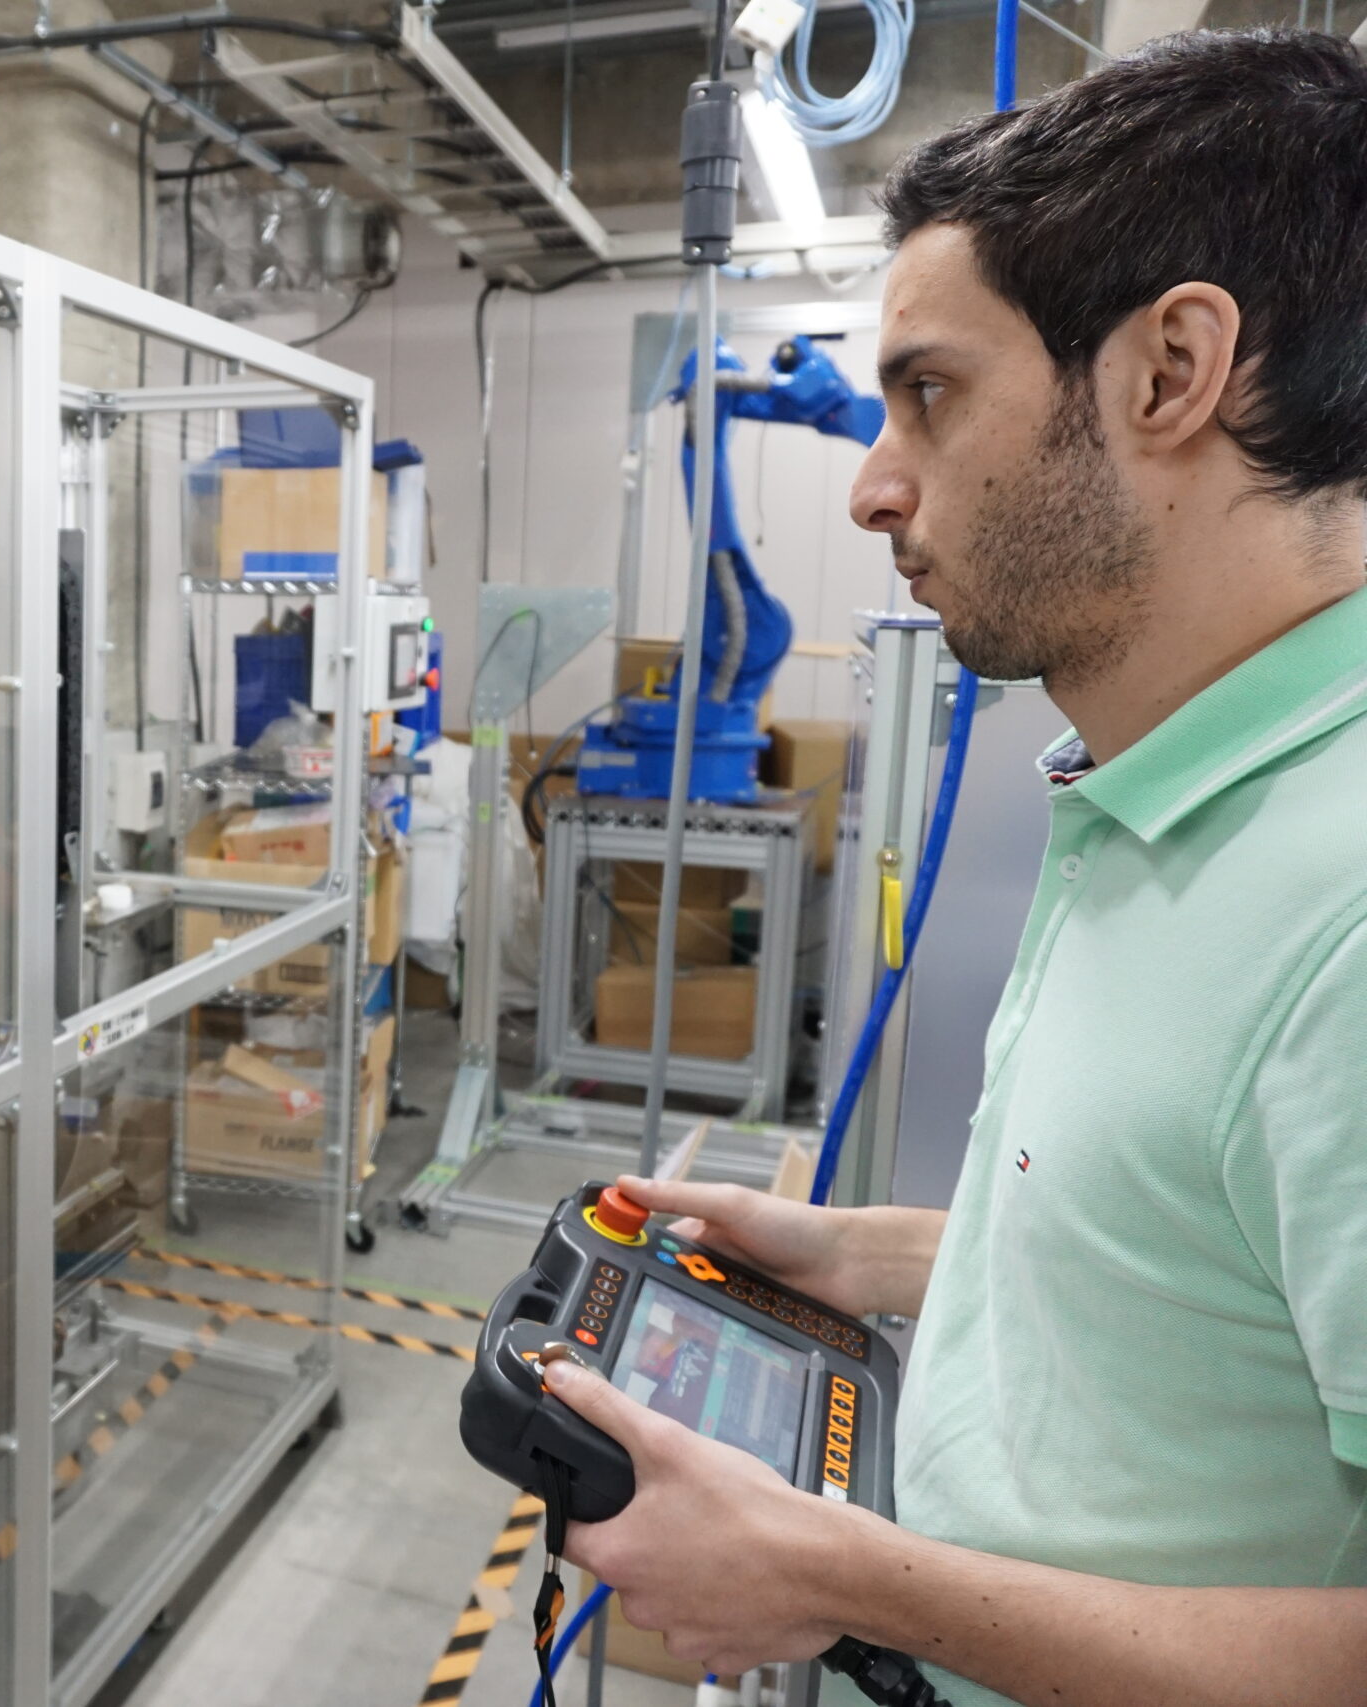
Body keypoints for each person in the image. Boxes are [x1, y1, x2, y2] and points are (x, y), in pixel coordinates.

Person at [537, 31, 1367, 1707]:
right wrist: (879, 1255)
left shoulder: (1345, 908)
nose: (873, 484)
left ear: (1170, 371)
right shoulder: (1162, 792)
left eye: (932, 392)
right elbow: (1201, 1275)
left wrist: (848, 1578)